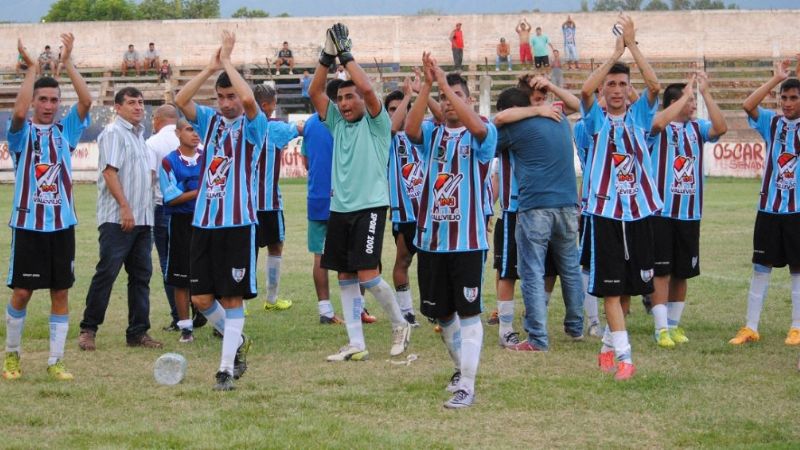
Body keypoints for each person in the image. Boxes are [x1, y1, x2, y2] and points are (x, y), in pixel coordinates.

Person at [309, 23, 412, 362]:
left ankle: (400, 323)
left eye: (348, 96)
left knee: (368, 275)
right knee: (345, 274)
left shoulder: (377, 123)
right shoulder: (336, 122)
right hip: (340, 208)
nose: (343, 103)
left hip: (370, 206)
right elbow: (314, 91)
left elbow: (368, 89)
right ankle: (356, 342)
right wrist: (327, 56)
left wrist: (346, 54)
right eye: (339, 98)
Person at [174, 31, 268, 390]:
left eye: (231, 96)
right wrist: (211, 66)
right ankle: (237, 340)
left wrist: (229, 60)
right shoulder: (210, 122)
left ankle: (226, 369)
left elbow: (249, 99)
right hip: (204, 223)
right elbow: (181, 98)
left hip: (237, 223)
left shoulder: (253, 125)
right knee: (201, 299)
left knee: (231, 297)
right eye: (222, 96)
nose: (228, 102)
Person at [405, 53, 497, 408]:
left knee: (470, 312)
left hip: (468, 241)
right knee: (440, 313)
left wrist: (443, 83)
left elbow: (478, 130)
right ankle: (462, 370)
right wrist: (426, 85)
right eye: (444, 98)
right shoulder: (432, 133)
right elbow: (410, 130)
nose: (449, 103)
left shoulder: (482, 132)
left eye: (456, 96)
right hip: (430, 240)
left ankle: (468, 386)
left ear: (468, 100)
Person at [2, 34, 92, 381]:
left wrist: (67, 62)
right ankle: (12, 356)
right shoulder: (21, 135)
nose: (50, 105)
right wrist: (31, 69)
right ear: (35, 100)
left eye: (54, 99)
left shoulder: (64, 132)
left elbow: (85, 100)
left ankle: (56, 361)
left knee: (60, 292)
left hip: (62, 225)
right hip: (28, 225)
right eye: (44, 99)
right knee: (22, 292)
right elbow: (20, 111)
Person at [579, 15, 662, 381]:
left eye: (621, 84)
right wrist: (614, 54)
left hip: (639, 212)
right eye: (610, 84)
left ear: (629, 89)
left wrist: (632, 47)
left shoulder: (641, 116)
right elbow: (584, 92)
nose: (615, 89)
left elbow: (655, 86)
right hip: (605, 214)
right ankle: (626, 357)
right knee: (611, 287)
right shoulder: (594, 121)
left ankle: (609, 345)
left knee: (628, 287)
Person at [492, 81, 584, 353]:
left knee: (531, 271)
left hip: (535, 207)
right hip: (568, 204)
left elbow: (488, 138)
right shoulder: (558, 119)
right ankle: (576, 327)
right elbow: (578, 106)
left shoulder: (516, 127)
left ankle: (537, 339)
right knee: (569, 268)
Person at [78, 86, 162, 352]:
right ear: (117, 107)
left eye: (141, 102)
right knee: (107, 273)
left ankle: (138, 332)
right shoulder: (114, 133)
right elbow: (110, 173)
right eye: (131, 103)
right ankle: (88, 329)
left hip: (143, 219)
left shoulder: (140, 137)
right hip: (119, 219)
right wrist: (125, 208)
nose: (138, 107)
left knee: (141, 277)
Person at [648, 73, 727, 348]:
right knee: (662, 272)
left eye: (693, 100)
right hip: (662, 213)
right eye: (689, 99)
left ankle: (673, 325)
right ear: (674, 102)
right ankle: (660, 329)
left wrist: (704, 93)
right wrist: (684, 95)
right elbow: (657, 122)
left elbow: (721, 127)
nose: (693, 104)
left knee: (683, 272)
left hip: (690, 213)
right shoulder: (659, 127)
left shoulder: (698, 128)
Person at [729, 60, 800, 347]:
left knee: (798, 269)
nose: (787, 103)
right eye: (784, 97)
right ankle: (750, 326)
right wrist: (776, 79)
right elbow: (748, 105)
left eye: (794, 98)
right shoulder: (772, 123)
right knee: (761, 266)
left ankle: (796, 327)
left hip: (797, 211)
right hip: (769, 209)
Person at [252, 83, 303, 312]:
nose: (275, 107)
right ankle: (271, 299)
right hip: (268, 202)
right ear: (266, 105)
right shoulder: (275, 128)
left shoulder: (241, 127)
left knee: (245, 250)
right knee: (275, 247)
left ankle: (238, 302)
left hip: (243, 204)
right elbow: (301, 128)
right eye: (274, 103)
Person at [301, 78, 344, 324]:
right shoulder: (346, 123)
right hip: (346, 198)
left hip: (317, 197)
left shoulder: (309, 124)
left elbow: (306, 162)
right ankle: (356, 309)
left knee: (320, 256)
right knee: (349, 256)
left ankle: (325, 310)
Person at [158, 119, 202, 343]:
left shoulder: (208, 159)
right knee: (180, 277)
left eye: (197, 129)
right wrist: (200, 191)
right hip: (181, 223)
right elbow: (172, 197)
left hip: (205, 222)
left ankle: (215, 321)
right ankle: (185, 327)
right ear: (177, 133)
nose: (194, 134)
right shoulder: (169, 162)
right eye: (189, 129)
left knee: (209, 273)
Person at [385, 80, 423, 327]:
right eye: (393, 108)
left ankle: (437, 308)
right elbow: (390, 127)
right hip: (404, 213)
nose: (399, 112)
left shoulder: (424, 131)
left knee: (433, 265)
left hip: (431, 213)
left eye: (404, 107)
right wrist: (409, 96)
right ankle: (406, 311)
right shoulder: (386, 137)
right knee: (403, 261)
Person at [145, 104, 180, 332]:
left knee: (169, 263)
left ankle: (178, 315)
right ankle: (199, 308)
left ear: (157, 120)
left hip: (163, 208)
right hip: (189, 209)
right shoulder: (190, 139)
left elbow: (149, 179)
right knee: (192, 260)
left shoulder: (152, 143)